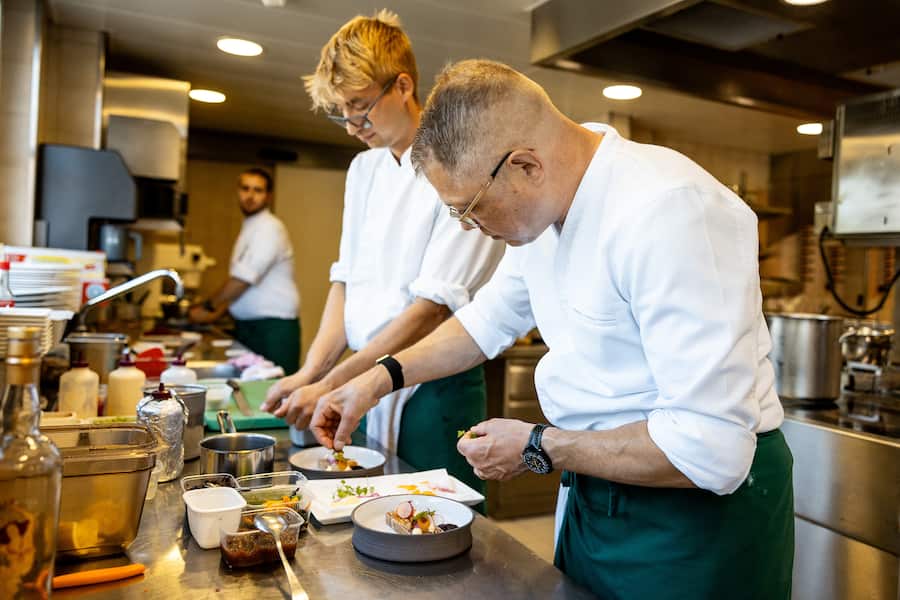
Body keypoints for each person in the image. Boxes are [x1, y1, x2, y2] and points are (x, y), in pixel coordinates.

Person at [309, 59, 794, 599]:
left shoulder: (670, 210)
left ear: (525, 166)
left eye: (469, 209)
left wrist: (540, 446)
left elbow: (712, 448)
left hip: (694, 523)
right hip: (597, 498)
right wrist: (377, 379)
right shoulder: (545, 213)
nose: (472, 229)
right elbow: (484, 322)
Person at [260, 13, 504, 494]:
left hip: (433, 388)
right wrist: (312, 372)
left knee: (436, 525)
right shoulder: (364, 169)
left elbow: (430, 311)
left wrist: (338, 381)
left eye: (360, 107)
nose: (351, 126)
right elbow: (345, 281)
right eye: (341, 111)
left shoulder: (461, 162)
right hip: (366, 381)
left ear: (404, 86)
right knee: (374, 510)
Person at [189, 167, 301, 373]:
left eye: (258, 190)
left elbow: (242, 280)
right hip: (250, 327)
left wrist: (207, 306)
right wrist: (215, 313)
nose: (250, 196)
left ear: (268, 196)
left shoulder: (269, 227)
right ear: (238, 191)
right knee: (254, 394)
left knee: (277, 394)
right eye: (245, 188)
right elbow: (240, 285)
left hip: (272, 329)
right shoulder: (250, 227)